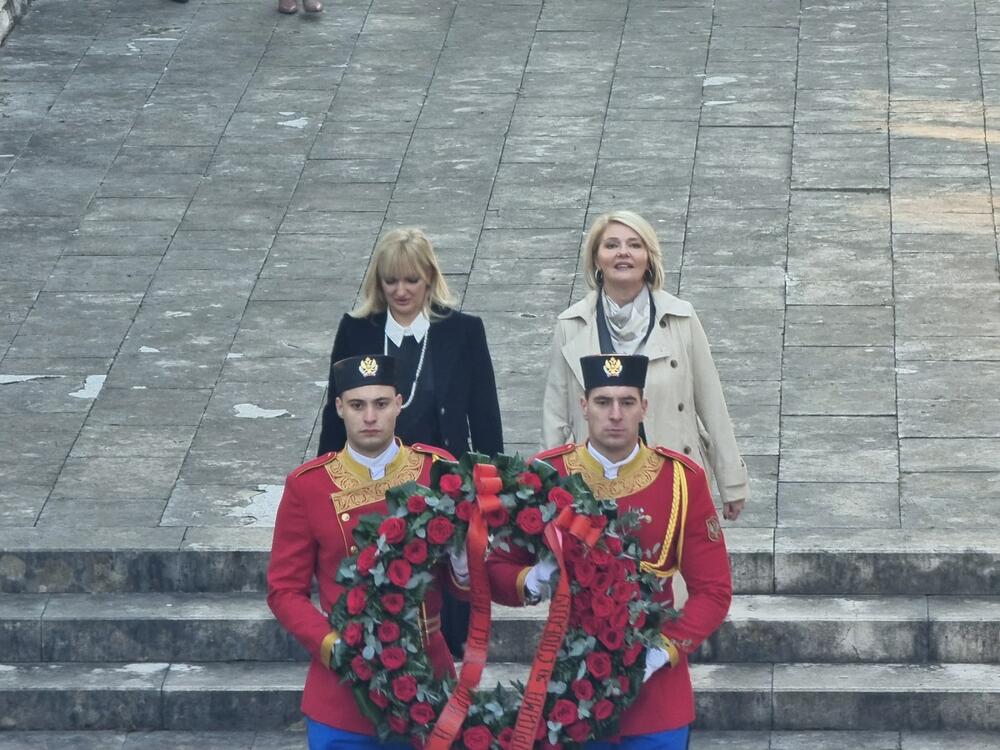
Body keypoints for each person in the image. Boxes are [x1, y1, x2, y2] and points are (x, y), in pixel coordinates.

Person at [490, 354, 733, 749]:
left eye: (627, 402)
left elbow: (714, 591)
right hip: (567, 691)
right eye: (603, 402)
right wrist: (533, 579)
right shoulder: (544, 475)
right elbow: (499, 569)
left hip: (656, 699)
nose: (615, 414)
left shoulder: (681, 480)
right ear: (584, 407)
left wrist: (661, 650)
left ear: (644, 407)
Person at [318, 228, 503, 658]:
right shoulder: (356, 330)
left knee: (445, 599)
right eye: (391, 281)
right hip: (371, 481)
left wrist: (492, 494)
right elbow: (334, 414)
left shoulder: (464, 331)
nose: (401, 291)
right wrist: (327, 483)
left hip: (442, 485)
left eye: (411, 280)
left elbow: (486, 418)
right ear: (378, 283)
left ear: (430, 279)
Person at [268, 354, 468, 750]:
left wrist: (464, 560)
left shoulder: (438, 470)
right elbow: (283, 590)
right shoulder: (308, 486)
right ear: (339, 408)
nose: (370, 417)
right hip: (344, 690)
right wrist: (334, 648)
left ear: (398, 402)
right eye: (358, 406)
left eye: (380, 404)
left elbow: (465, 587)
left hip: (426, 676)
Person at [542, 210, 748, 521]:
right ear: (596, 259)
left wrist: (732, 482)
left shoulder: (681, 317)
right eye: (611, 245)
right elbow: (555, 415)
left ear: (648, 258)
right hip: (593, 486)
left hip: (673, 480)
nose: (623, 253)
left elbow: (712, 403)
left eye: (634, 245)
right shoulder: (571, 324)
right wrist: (545, 490)